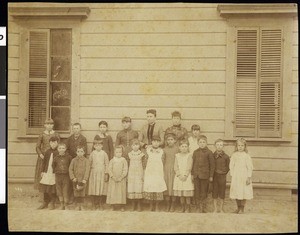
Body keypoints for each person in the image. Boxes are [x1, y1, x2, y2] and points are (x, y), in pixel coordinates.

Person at [191, 135, 215, 213]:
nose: (202, 144)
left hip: (205, 176)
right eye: (200, 142)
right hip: (196, 175)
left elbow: (212, 165)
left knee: (204, 191)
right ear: (198, 143)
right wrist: (192, 174)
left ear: (206, 143)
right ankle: (198, 207)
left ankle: (203, 207)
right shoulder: (195, 152)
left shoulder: (209, 152)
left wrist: (211, 176)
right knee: (197, 191)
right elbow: (193, 163)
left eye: (203, 142)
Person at [35, 118, 60, 190]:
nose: (49, 126)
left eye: (51, 124)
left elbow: (59, 145)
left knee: (53, 174)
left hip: (53, 157)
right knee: (43, 174)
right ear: (44, 125)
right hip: (44, 157)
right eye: (47, 124)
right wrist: (40, 155)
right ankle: (43, 195)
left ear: (53, 125)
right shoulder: (42, 135)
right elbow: (37, 147)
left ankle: (53, 194)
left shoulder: (56, 134)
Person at [229, 138, 253, 214]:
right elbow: (231, 166)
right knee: (237, 191)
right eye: (239, 145)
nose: (240, 147)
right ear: (236, 146)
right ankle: (238, 208)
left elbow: (250, 167)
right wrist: (233, 175)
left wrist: (249, 177)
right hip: (236, 176)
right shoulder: (234, 155)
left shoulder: (246, 156)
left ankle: (242, 208)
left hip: (244, 176)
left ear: (245, 146)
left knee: (243, 191)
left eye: (242, 145)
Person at [143, 136, 167, 212]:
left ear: (160, 143)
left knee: (157, 188)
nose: (156, 143)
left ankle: (157, 206)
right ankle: (151, 205)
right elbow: (145, 161)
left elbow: (163, 162)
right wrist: (144, 171)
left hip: (158, 172)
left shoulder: (162, 151)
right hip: (149, 172)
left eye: (157, 141)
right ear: (151, 142)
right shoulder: (147, 150)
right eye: (154, 141)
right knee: (150, 187)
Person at [66, 122, 87, 204]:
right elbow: (67, 150)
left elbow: (85, 150)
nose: (76, 130)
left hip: (80, 161)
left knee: (80, 180)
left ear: (80, 129)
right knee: (72, 179)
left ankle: (80, 198)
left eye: (77, 128)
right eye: (74, 128)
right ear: (72, 129)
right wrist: (71, 159)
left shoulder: (83, 139)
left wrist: (81, 159)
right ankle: (72, 196)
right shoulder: (69, 139)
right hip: (72, 161)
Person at [37, 136, 59, 210]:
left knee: (52, 187)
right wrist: (42, 171)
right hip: (47, 171)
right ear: (49, 143)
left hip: (54, 172)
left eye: (55, 143)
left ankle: (52, 202)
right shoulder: (47, 152)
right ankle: (45, 202)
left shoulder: (58, 152)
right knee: (45, 187)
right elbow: (44, 162)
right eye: (51, 143)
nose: (53, 144)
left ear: (57, 143)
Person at [173, 140, 194, 213]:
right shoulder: (177, 155)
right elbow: (175, 166)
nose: (184, 148)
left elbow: (189, 166)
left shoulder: (189, 155)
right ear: (179, 147)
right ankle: (182, 207)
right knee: (181, 193)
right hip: (179, 176)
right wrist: (179, 175)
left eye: (186, 146)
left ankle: (188, 208)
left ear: (188, 147)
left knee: (187, 193)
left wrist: (185, 175)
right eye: (182, 146)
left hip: (186, 176)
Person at [88, 139, 109, 210]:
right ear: (94, 146)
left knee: (100, 188)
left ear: (102, 146)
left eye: (99, 145)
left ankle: (100, 204)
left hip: (101, 173)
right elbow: (89, 164)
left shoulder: (104, 153)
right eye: (96, 145)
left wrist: (106, 173)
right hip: (94, 173)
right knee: (94, 187)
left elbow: (107, 164)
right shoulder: (92, 153)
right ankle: (94, 204)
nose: (98, 147)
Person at [106, 146, 128, 211]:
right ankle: (113, 205)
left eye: (120, 152)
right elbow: (109, 169)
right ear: (114, 153)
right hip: (113, 179)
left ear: (122, 153)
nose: (118, 153)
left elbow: (125, 169)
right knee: (113, 191)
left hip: (121, 179)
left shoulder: (123, 160)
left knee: (121, 192)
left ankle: (122, 206)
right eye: (117, 152)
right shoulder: (112, 160)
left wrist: (121, 177)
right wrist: (113, 176)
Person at [69, 145, 90, 210]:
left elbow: (87, 170)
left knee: (82, 193)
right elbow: (70, 169)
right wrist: (73, 177)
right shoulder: (73, 160)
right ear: (76, 152)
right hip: (76, 179)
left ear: (84, 152)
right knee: (76, 192)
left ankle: (82, 205)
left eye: (81, 151)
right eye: (78, 151)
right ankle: (77, 205)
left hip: (83, 180)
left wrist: (85, 179)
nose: (80, 153)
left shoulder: (86, 160)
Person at [52, 142, 72, 210]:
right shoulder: (55, 158)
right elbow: (53, 166)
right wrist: (56, 171)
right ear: (57, 149)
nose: (61, 149)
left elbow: (71, 166)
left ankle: (66, 204)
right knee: (59, 190)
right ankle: (61, 204)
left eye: (63, 148)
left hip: (66, 176)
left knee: (65, 190)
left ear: (65, 149)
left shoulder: (69, 157)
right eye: (60, 148)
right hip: (58, 175)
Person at [127, 139, 145, 212]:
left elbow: (144, 165)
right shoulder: (129, 154)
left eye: (137, 145)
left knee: (138, 188)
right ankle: (133, 205)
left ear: (139, 146)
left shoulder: (141, 154)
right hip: (131, 173)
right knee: (132, 188)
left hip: (139, 173)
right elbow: (128, 164)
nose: (135, 146)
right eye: (133, 145)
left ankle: (139, 205)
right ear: (131, 146)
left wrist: (143, 174)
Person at [212, 139, 230, 213]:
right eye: (217, 145)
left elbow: (228, 167)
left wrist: (223, 172)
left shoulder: (226, 157)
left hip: (222, 176)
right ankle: (215, 209)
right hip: (214, 176)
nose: (219, 147)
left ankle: (221, 209)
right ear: (215, 146)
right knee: (214, 192)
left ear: (223, 146)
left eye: (221, 145)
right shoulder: (212, 155)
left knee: (222, 192)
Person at [163, 133, 179, 212]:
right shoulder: (164, 149)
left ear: (175, 140)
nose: (170, 141)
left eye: (171, 140)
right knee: (167, 187)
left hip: (174, 170)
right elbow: (162, 161)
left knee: (173, 187)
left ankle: (173, 205)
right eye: (168, 140)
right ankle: (167, 205)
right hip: (166, 170)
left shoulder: (177, 149)